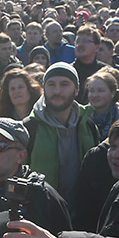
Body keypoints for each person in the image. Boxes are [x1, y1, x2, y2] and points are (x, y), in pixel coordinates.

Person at [26, 62, 99, 198]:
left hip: (81, 212)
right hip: (40, 211)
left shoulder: (87, 125)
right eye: (51, 84)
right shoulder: (30, 127)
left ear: (76, 90)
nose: (57, 91)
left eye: (64, 84)